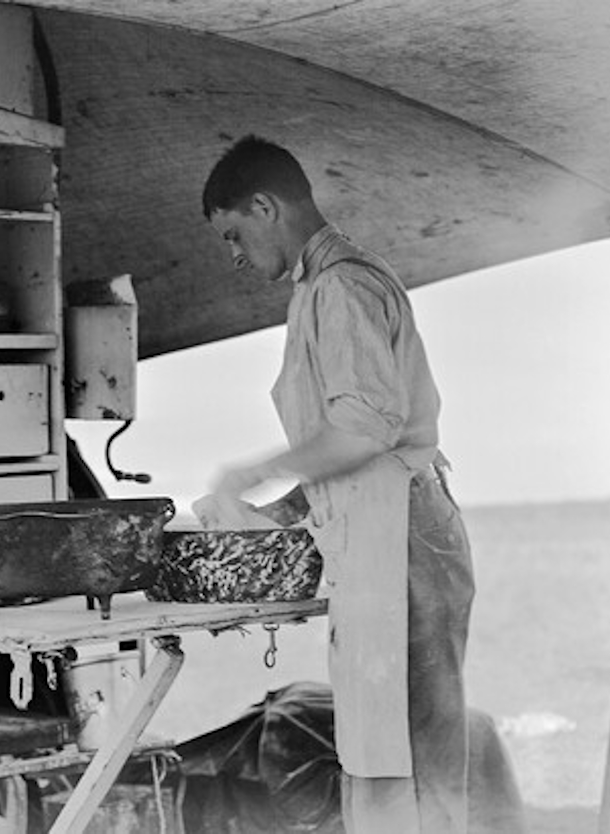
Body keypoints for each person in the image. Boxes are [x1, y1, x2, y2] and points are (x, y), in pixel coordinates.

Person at [193, 135, 479, 834]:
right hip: (379, 534)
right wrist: (285, 507)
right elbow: (345, 450)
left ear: (265, 207)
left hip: (403, 540)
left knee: (414, 756)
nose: (232, 254)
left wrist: (254, 472)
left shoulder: (342, 285)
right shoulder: (316, 290)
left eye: (234, 234)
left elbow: (366, 430)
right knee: (381, 751)